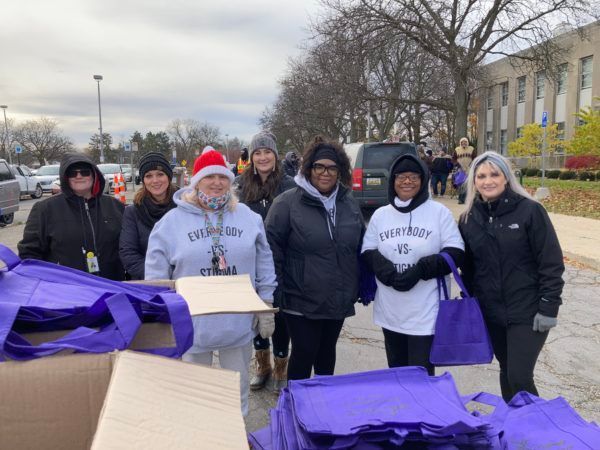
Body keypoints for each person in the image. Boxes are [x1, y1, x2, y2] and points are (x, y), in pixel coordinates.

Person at [145, 149, 277, 416]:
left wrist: (265, 301)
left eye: (223, 177)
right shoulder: (171, 223)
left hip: (236, 321)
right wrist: (161, 315)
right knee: (195, 394)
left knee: (236, 389)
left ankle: (236, 435)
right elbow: (156, 276)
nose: (217, 183)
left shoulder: (249, 218)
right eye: (209, 177)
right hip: (193, 325)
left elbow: (264, 261)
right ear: (195, 182)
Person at [459, 151, 564, 402]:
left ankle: (538, 431)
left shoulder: (530, 211)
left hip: (528, 312)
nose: (488, 181)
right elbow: (468, 266)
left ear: (506, 178)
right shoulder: (468, 219)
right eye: (481, 176)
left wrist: (549, 307)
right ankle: (515, 427)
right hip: (492, 312)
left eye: (494, 174)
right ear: (474, 181)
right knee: (507, 372)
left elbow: (551, 262)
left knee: (519, 375)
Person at [265, 136, 364, 381]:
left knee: (326, 353)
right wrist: (276, 292)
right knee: (305, 352)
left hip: (337, 296)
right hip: (300, 298)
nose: (326, 173)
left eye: (332, 168)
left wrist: (359, 284)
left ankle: (323, 405)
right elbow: (271, 249)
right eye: (319, 166)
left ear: (340, 170)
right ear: (309, 168)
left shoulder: (348, 202)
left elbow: (360, 244)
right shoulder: (287, 203)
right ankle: (296, 407)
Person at [361, 154, 464, 375]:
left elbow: (456, 252)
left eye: (414, 176)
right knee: (396, 372)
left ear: (423, 179)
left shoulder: (439, 213)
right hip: (391, 311)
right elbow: (368, 249)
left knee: (421, 375)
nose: (407, 181)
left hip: (426, 312)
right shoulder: (381, 215)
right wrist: (385, 270)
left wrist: (421, 270)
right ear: (393, 181)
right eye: (401, 176)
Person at [235, 131, 296, 392]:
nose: (262, 157)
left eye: (267, 152)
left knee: (279, 318)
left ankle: (281, 366)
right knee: (254, 318)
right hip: (249, 262)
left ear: (275, 155)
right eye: (257, 152)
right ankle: (262, 366)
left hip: (281, 261)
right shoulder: (239, 185)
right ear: (251, 156)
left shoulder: (289, 185)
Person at [18, 153, 125, 280]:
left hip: (111, 285)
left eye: (85, 172)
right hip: (66, 290)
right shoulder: (45, 209)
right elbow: (29, 253)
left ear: (94, 174)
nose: (78, 176)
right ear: (65, 177)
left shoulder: (115, 206)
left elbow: (128, 247)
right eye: (72, 173)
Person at [119, 152, 176, 280]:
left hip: (183, 280)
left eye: (160, 174)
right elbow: (128, 253)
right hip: (148, 281)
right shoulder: (132, 212)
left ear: (169, 177)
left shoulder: (184, 207)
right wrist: (157, 277)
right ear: (143, 180)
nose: (155, 180)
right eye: (148, 176)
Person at [453, 137, 476, 204]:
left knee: (467, 184)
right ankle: (460, 199)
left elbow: (474, 158)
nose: (464, 143)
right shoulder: (457, 149)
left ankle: (466, 199)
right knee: (460, 184)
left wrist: (472, 165)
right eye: (462, 142)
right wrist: (457, 164)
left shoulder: (471, 149)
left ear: (467, 142)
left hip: (469, 169)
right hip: (460, 169)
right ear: (460, 143)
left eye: (465, 142)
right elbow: (453, 159)